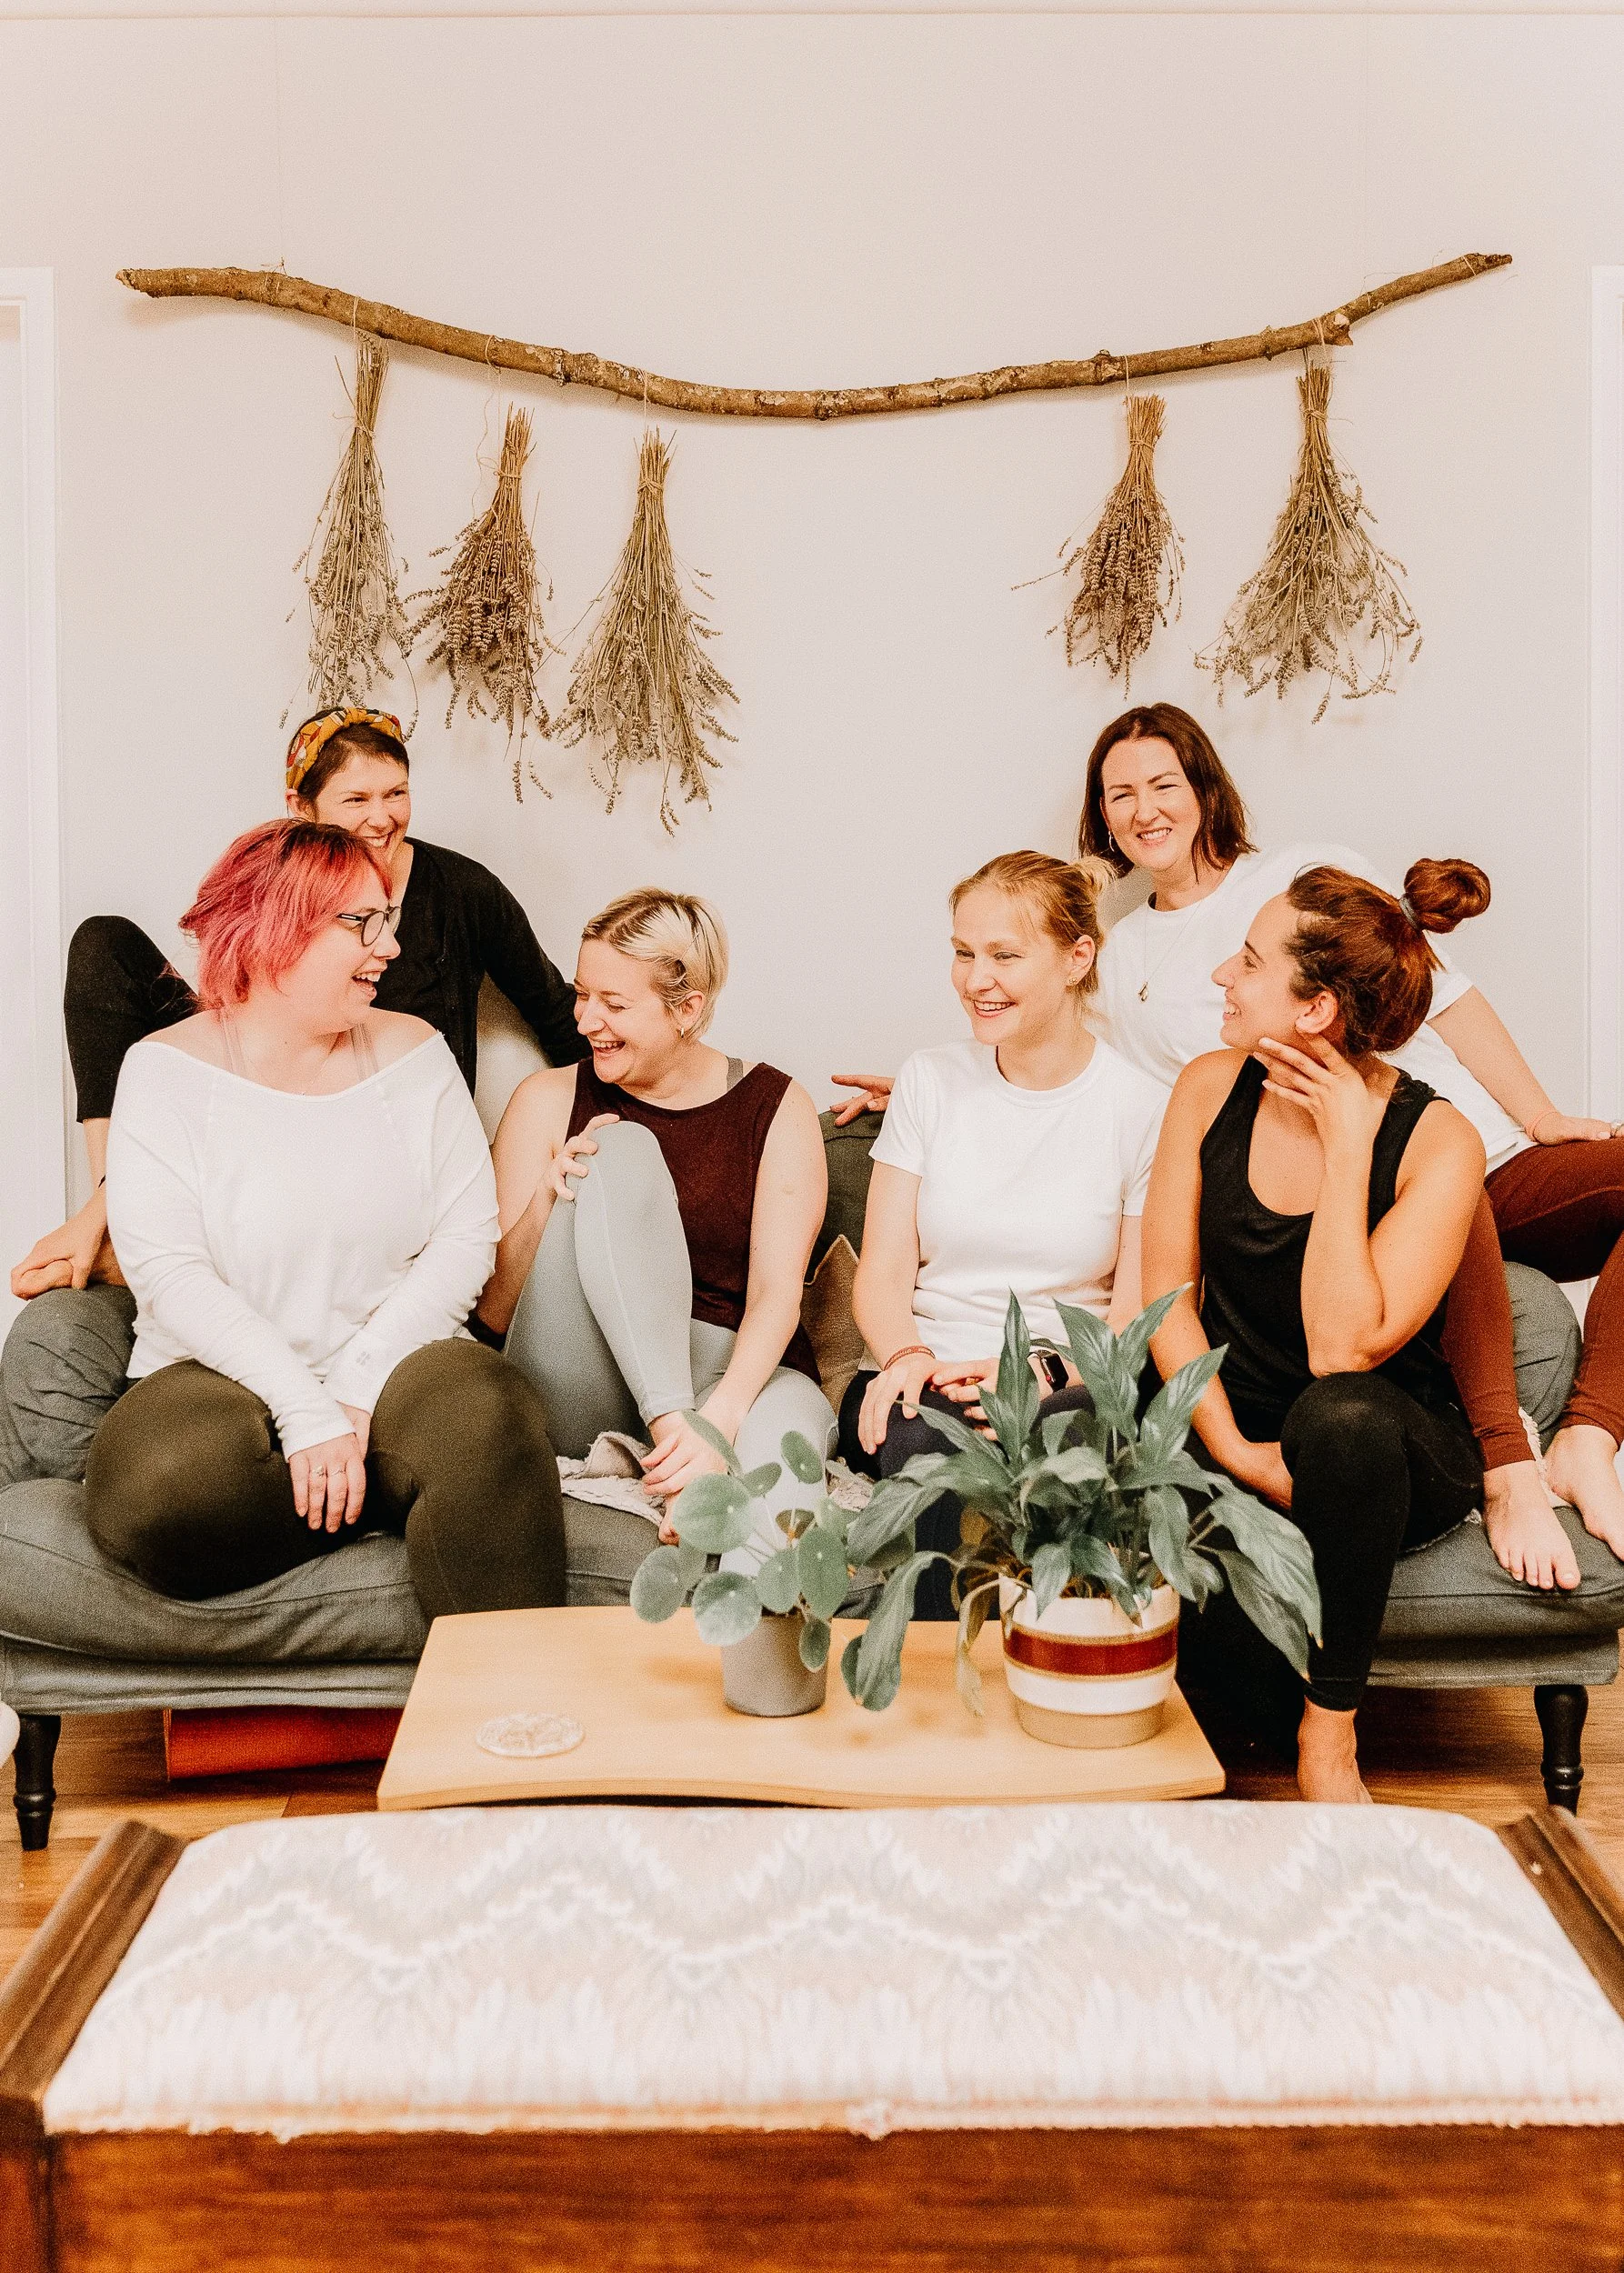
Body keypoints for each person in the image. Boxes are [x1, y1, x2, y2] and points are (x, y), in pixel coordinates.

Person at [832, 700, 1600, 1594]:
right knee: (952, 1451)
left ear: (1205, 790)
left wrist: (1537, 1117)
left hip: (1389, 1150)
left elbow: (1450, 995)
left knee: (1455, 1169)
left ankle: (1538, 1455)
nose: (1141, 807)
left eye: (1162, 783)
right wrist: (952, 1100)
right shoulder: (1120, 985)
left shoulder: (1293, 891)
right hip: (958, 1353)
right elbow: (1048, 1077)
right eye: (1119, 792)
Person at [2, 705, 586, 1488]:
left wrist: (637, 1095)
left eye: (396, 793)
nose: (381, 817)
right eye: (356, 800)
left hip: (397, 1146)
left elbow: (558, 1010)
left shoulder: (457, 902)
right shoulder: (259, 949)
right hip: (254, 1120)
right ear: (301, 815)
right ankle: (121, 1198)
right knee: (104, 943)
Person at [81, 819, 564, 1617]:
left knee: (491, 1416)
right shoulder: (161, 1072)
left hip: (398, 1368)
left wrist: (356, 1390)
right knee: (151, 1491)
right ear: (276, 928)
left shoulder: (416, 1053)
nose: (390, 949)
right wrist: (305, 1415)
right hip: (216, 1376)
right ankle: (397, 1501)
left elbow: (465, 1235)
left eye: (389, 922)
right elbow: (168, 1273)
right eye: (362, 924)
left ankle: (499, 1722)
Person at [1142, 860, 1489, 1803]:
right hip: (1240, 1422)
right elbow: (1165, 1299)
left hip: (1381, 1443)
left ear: (1315, 1011)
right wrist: (1233, 1450)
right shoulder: (1209, 1086)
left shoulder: (1436, 1140)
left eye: (1248, 962)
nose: (1222, 974)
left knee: (1338, 1415)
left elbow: (1343, 1350)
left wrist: (1347, 1149)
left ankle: (1328, 1734)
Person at [839, 852, 1167, 1619]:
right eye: (963, 952)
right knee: (925, 1450)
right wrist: (910, 1360)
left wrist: (1040, 1377)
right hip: (922, 1371)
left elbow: (1131, 1313)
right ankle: (935, 1700)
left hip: (1061, 1378)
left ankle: (1050, 1675)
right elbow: (882, 1274)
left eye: (1004, 956)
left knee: (1060, 1445)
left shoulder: (1142, 1107)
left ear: (1077, 957)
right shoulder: (929, 1079)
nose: (975, 979)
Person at [477, 888, 834, 1566]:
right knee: (616, 1146)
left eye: (614, 1005)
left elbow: (776, 1296)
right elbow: (493, 1314)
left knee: (787, 1459)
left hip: (733, 1371)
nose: (586, 1021)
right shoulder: (548, 1100)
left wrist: (720, 1421)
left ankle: (756, 1647)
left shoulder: (774, 1104)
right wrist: (548, 1203)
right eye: (583, 996)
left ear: (688, 1009)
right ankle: (675, 1439)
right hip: (586, 1377)